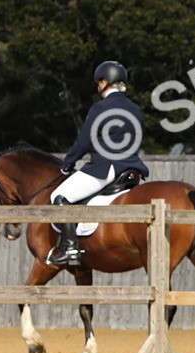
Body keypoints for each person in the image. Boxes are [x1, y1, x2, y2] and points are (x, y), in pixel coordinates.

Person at [45, 60, 150, 267]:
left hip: (106, 168)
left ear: (105, 81)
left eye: (98, 83)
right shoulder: (136, 109)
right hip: (132, 170)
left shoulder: (100, 107)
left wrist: (68, 163)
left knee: (58, 196)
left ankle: (70, 247)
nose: (97, 87)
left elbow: (84, 141)